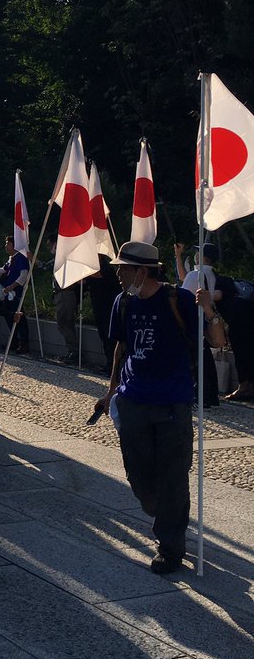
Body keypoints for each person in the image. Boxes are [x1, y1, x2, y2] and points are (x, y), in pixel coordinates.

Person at [93, 241, 228, 574]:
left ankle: (170, 547)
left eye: (124, 269)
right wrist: (110, 392)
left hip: (172, 403)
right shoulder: (123, 302)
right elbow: (121, 347)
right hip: (133, 401)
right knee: (139, 475)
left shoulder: (178, 300)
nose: (119, 275)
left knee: (173, 477)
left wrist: (208, 310)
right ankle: (163, 510)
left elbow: (218, 341)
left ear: (142, 271)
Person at [0, 235, 29, 353]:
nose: (6, 246)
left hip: (15, 293)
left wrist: (12, 286)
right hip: (7, 294)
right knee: (9, 317)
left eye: (8, 244)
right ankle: (13, 342)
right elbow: (4, 270)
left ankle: (24, 344)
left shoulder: (21, 258)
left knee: (20, 318)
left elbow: (23, 276)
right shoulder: (11, 258)